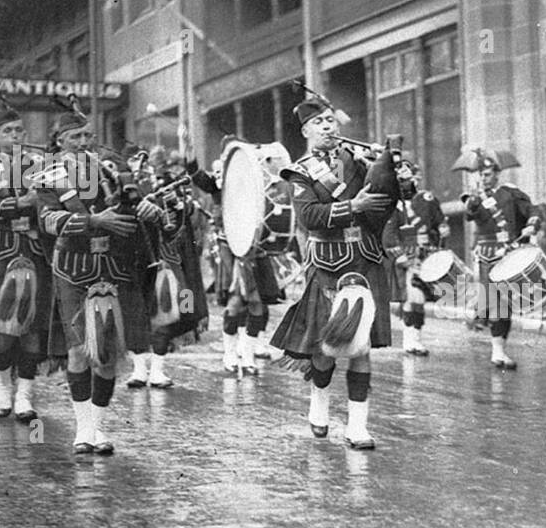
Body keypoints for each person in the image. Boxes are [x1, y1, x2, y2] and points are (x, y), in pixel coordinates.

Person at [271, 96, 412, 448]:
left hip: (363, 259)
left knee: (360, 345)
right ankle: (319, 404)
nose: (328, 127)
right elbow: (310, 217)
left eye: (332, 120)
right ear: (305, 131)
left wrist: (397, 172)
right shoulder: (300, 172)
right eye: (319, 122)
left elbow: (389, 195)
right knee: (325, 347)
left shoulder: (359, 161)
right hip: (327, 264)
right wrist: (354, 205)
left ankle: (357, 426)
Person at [38, 107, 156, 454]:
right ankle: (83, 428)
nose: (82, 142)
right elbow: (47, 220)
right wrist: (93, 222)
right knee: (78, 351)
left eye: (87, 135)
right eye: (74, 137)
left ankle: (99, 427)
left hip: (112, 267)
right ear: (59, 142)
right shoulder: (47, 176)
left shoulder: (109, 168)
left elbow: (131, 206)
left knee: (106, 354)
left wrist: (147, 208)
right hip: (73, 268)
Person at [0, 107, 51, 422]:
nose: (16, 136)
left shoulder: (39, 165)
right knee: (3, 325)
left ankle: (25, 394)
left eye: (19, 131)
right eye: (9, 131)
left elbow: (51, 201)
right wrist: (19, 203)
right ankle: (4, 387)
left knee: (31, 327)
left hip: (32, 250)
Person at [191, 143, 286, 377]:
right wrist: (190, 158)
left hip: (255, 248)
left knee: (257, 305)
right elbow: (199, 178)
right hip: (230, 248)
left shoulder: (260, 184)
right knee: (235, 304)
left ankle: (248, 355)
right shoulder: (219, 184)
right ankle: (230, 354)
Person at [125, 150, 209, 389]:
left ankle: (157, 371)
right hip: (135, 264)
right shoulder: (125, 190)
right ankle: (139, 370)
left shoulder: (169, 190)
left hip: (167, 263)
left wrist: (177, 204)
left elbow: (182, 227)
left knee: (177, 310)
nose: (145, 170)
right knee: (136, 316)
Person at [461, 149, 539, 369]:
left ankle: (500, 348)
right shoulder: (473, 197)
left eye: (487, 174)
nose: (483, 178)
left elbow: (531, 210)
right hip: (488, 254)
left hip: (510, 251)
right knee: (495, 301)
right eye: (480, 174)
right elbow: (469, 214)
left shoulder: (510, 193)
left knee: (507, 302)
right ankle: (496, 351)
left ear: (496, 174)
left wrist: (532, 224)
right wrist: (475, 200)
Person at [391, 161, 448, 356]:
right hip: (408, 255)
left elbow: (440, 222)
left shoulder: (427, 199)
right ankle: (410, 340)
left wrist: (442, 236)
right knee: (412, 297)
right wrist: (400, 257)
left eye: (408, 178)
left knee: (420, 298)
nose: (405, 183)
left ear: (416, 178)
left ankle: (415, 337)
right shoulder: (393, 205)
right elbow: (388, 234)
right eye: (401, 179)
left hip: (427, 252)